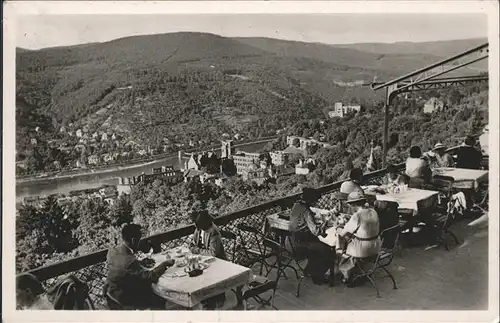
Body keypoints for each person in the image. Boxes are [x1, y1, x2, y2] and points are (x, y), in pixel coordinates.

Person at [106, 223, 175, 310]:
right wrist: (165, 264)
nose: (139, 242)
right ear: (133, 240)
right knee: (159, 297)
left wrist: (140, 262)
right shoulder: (130, 261)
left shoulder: (112, 250)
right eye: (139, 239)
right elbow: (151, 276)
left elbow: (122, 267)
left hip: (110, 291)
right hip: (123, 295)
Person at [288, 187, 334, 285]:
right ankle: (317, 277)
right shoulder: (306, 211)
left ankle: (309, 270)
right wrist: (325, 222)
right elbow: (316, 231)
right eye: (315, 201)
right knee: (327, 250)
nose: (316, 203)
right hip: (302, 243)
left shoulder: (296, 205)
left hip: (293, 240)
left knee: (318, 245)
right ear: (311, 200)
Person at [337, 191, 382, 287]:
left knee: (342, 242)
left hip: (363, 249)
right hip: (376, 246)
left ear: (352, 205)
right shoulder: (373, 211)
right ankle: (359, 269)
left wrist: (338, 227)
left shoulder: (357, 216)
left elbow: (343, 233)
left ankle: (347, 274)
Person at [189, 210, 226, 309]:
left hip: (217, 262)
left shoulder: (214, 232)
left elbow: (213, 253)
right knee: (192, 270)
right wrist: (193, 245)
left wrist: (196, 250)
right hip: (203, 260)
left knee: (202, 274)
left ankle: (214, 299)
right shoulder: (198, 228)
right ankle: (204, 298)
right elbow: (194, 243)